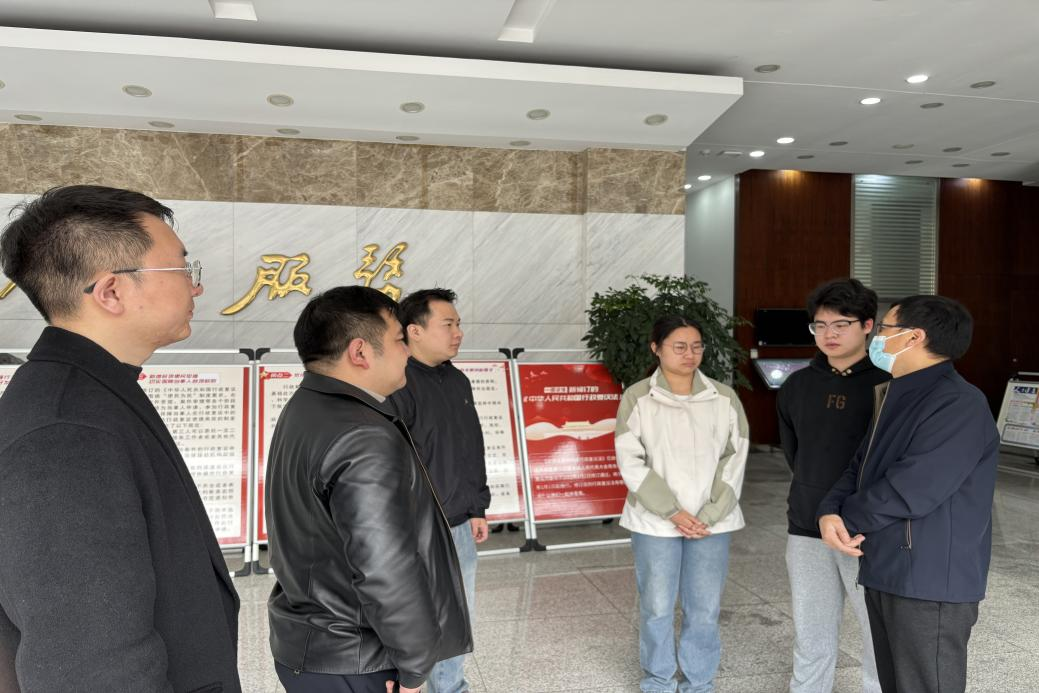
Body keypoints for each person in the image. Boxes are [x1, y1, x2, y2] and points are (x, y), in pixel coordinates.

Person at [0, 185, 241, 692]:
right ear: (111, 291)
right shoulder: (66, 432)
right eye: (182, 268)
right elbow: (91, 668)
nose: (196, 288)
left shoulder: (90, 391)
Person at [265, 285, 472, 693]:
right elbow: (384, 568)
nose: (407, 352)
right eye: (398, 340)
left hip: (310, 644)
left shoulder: (306, 407)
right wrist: (414, 668)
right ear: (360, 352)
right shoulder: (364, 435)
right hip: (356, 659)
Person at [817, 295, 999, 693]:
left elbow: (913, 489)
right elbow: (859, 466)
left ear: (914, 337)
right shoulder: (896, 393)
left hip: (929, 581)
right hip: (886, 568)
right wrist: (829, 511)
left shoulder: (959, 403)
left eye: (884, 329)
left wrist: (846, 517)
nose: (877, 338)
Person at [614, 315, 750, 693]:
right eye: (679, 346)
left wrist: (709, 514)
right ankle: (658, 681)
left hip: (711, 522)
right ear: (656, 348)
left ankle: (699, 682)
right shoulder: (638, 397)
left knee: (704, 608)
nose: (690, 354)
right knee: (656, 607)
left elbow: (735, 456)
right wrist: (671, 511)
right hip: (655, 521)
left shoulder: (723, 397)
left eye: (696, 346)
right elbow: (630, 459)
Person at [777, 278, 887, 693]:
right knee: (811, 633)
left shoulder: (888, 385)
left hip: (866, 532)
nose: (829, 334)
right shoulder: (796, 386)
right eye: (820, 325)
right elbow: (795, 454)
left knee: (878, 634)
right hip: (806, 526)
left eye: (841, 324)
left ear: (868, 325)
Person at [388, 288, 489, 693]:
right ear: (414, 330)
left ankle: (450, 688)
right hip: (413, 527)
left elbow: (471, 446)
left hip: (459, 523)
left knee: (458, 618)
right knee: (415, 618)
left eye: (458, 324)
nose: (458, 333)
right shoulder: (396, 382)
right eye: (448, 324)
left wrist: (477, 506)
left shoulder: (457, 379)